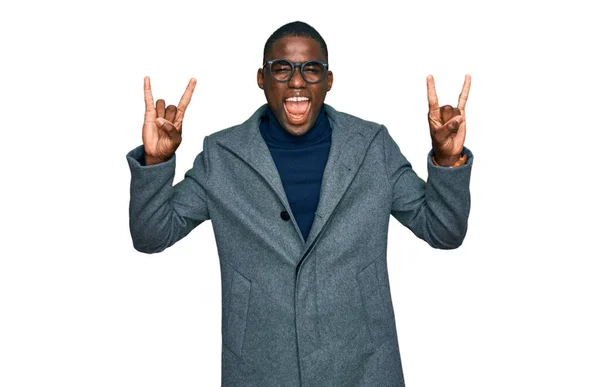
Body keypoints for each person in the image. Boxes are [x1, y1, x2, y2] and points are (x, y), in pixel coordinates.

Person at [126, 21, 473, 386]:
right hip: (261, 366)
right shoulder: (223, 156)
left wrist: (447, 161)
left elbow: (444, 231)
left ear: (328, 80)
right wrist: (156, 162)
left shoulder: (372, 147)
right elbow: (151, 235)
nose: (296, 81)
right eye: (282, 68)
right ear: (262, 78)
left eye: (311, 69)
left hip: (363, 364)